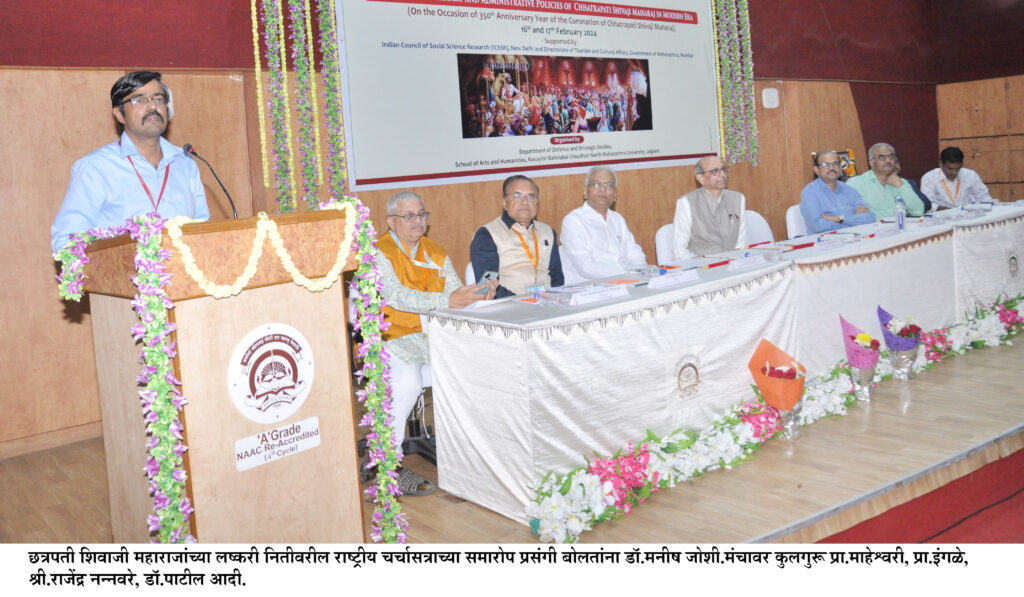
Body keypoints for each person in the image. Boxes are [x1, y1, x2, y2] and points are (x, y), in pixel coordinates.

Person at [376, 191, 497, 494]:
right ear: (391, 221)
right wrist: (451, 299)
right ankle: (386, 465)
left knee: (478, 371)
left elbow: (456, 293)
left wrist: (476, 294)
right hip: (393, 337)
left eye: (422, 215)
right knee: (407, 385)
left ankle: (470, 454)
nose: (418, 221)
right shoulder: (377, 251)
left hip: (436, 338)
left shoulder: (435, 251)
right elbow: (396, 296)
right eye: (409, 216)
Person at [51, 71, 209, 253]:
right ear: (119, 114)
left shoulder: (186, 165)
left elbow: (202, 232)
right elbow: (66, 241)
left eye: (159, 99)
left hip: (183, 277)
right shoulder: (95, 168)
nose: (152, 106)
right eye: (139, 100)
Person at [470, 175, 564, 298]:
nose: (525, 202)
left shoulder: (548, 232)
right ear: (504, 202)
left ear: (537, 202)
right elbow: (488, 286)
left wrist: (554, 298)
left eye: (531, 196)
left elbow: (556, 276)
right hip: (509, 306)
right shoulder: (486, 235)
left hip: (548, 302)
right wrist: (523, 301)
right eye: (517, 196)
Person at [560, 165, 647, 283]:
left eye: (609, 185)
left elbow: (634, 253)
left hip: (626, 283)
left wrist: (640, 272)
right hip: (589, 289)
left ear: (615, 195)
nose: (603, 189)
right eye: (596, 184)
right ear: (585, 191)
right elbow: (586, 267)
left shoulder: (617, 219)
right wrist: (627, 274)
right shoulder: (573, 221)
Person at [672, 155, 747, 260]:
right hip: (702, 267)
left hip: (733, 263)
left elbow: (741, 241)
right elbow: (679, 251)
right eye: (715, 171)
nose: (722, 174)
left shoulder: (738, 198)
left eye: (723, 169)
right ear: (701, 178)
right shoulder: (686, 202)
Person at [799, 150, 876, 233]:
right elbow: (818, 226)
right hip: (825, 241)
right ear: (817, 170)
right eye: (826, 165)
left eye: (835, 164)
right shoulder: (810, 192)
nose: (832, 168)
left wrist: (839, 219)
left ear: (840, 167)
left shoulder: (849, 190)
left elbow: (869, 218)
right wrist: (853, 220)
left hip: (854, 238)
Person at [846, 143, 925, 218]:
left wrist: (900, 185)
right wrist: (902, 212)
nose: (888, 161)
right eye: (882, 158)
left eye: (891, 157)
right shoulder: (855, 183)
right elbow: (851, 215)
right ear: (871, 163)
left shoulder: (901, 182)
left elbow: (918, 211)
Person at [920, 146, 993, 209]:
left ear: (962, 164)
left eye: (958, 168)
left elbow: (984, 197)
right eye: (950, 169)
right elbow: (926, 203)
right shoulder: (929, 178)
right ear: (941, 163)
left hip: (968, 216)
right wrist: (940, 208)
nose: (954, 172)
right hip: (940, 217)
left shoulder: (971, 175)